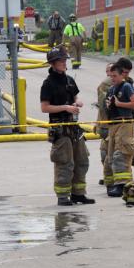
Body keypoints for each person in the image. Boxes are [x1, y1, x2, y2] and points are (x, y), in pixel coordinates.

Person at [40, 48, 94, 206]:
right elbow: (45, 107)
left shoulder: (70, 79)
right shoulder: (48, 83)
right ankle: (63, 196)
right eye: (61, 61)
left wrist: (78, 102)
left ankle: (78, 194)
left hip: (74, 126)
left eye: (65, 60)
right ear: (53, 63)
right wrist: (65, 107)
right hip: (60, 127)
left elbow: (75, 96)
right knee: (65, 162)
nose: (64, 63)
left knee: (82, 159)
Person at [104, 64, 134, 197]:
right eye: (111, 75)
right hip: (113, 124)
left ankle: (122, 185)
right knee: (110, 155)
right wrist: (109, 105)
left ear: (122, 75)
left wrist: (119, 104)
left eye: (115, 76)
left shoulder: (126, 87)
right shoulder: (111, 89)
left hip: (125, 123)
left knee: (121, 153)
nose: (112, 78)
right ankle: (114, 183)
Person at [95, 62, 114, 186]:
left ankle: (112, 179)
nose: (108, 75)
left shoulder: (107, 84)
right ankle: (109, 176)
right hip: (103, 125)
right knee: (104, 153)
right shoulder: (107, 85)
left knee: (110, 154)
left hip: (111, 126)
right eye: (107, 71)